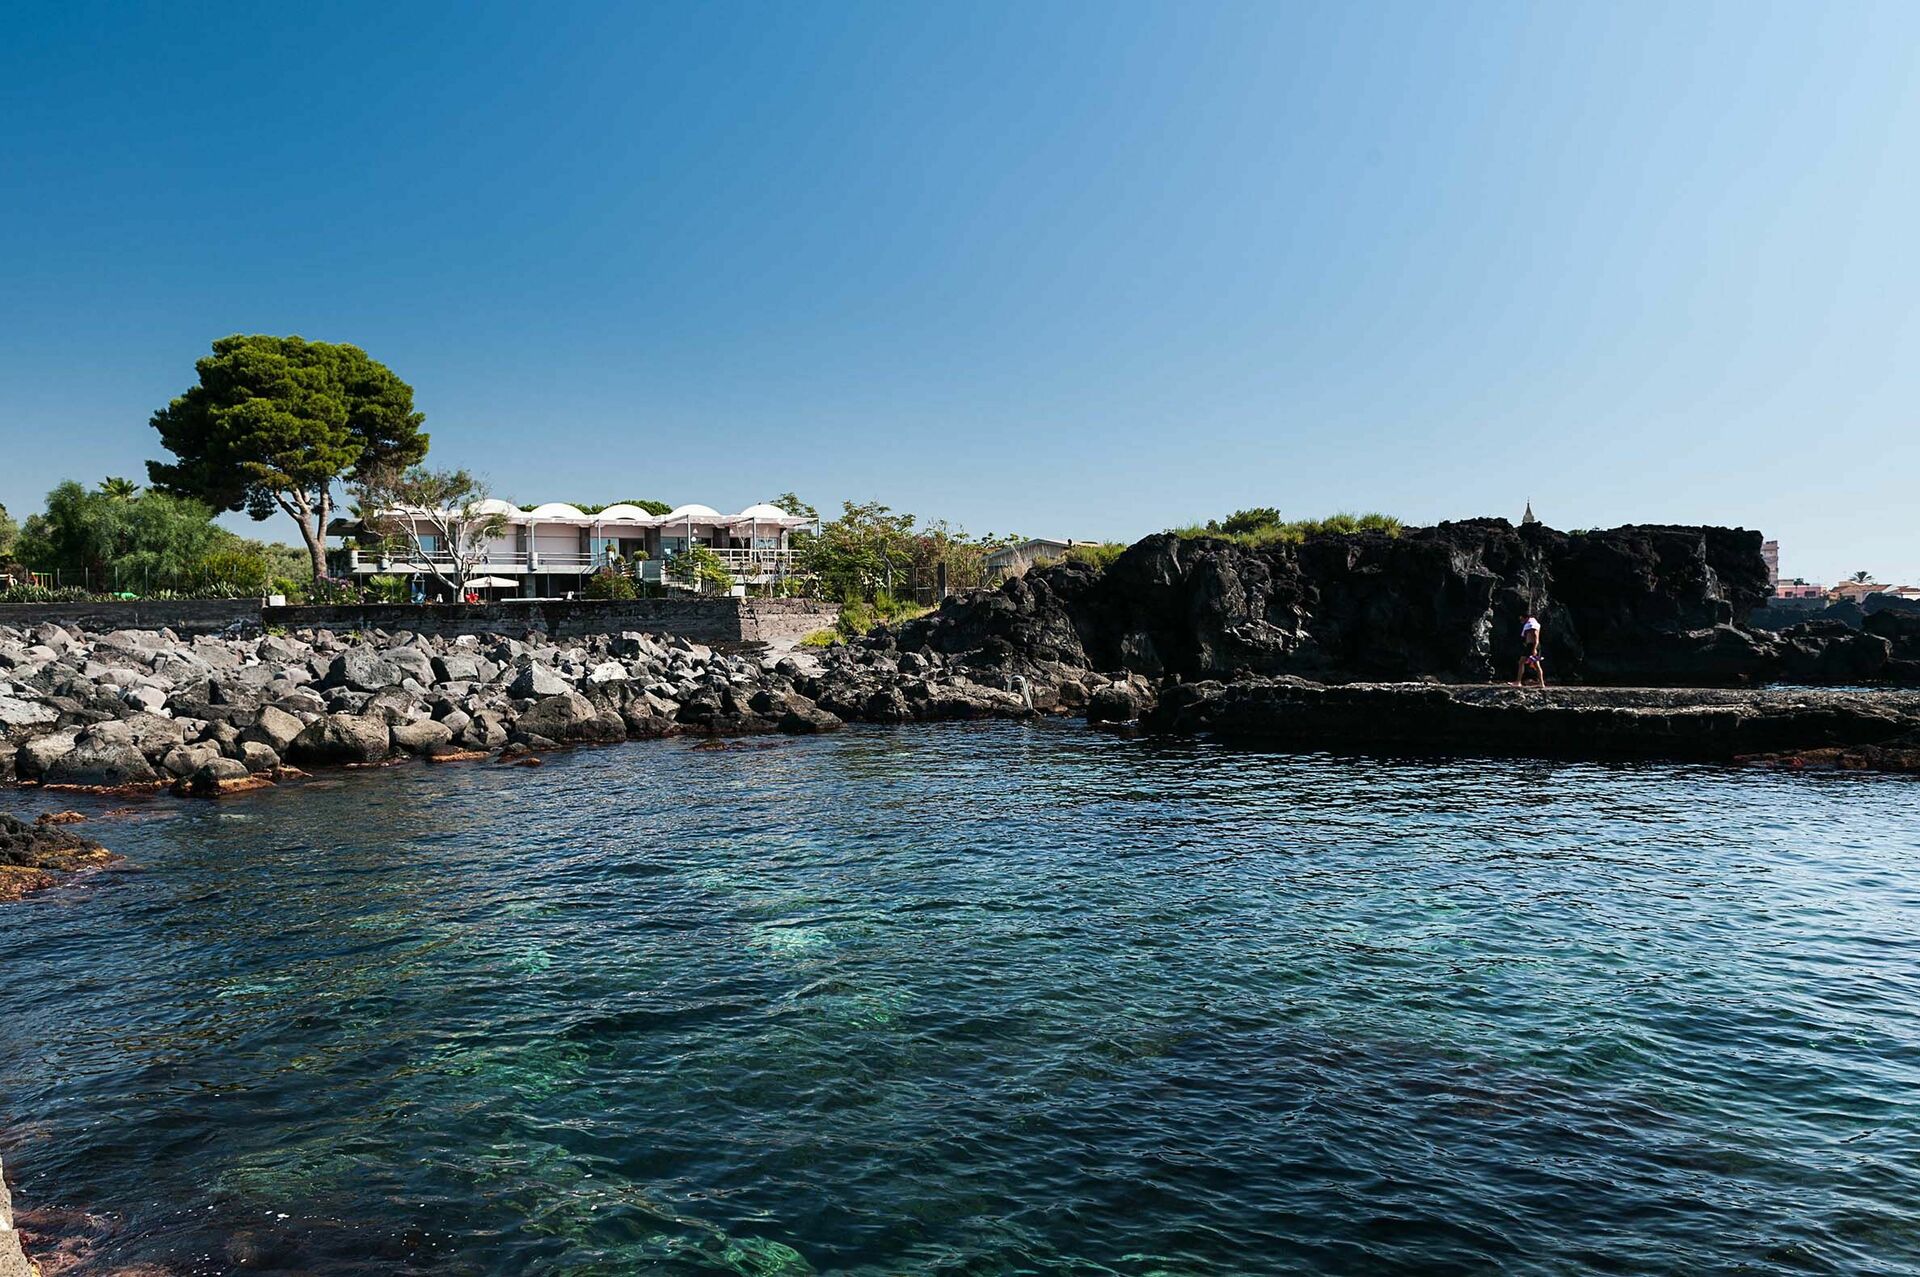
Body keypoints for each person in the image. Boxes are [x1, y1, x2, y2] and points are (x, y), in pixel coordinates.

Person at [1514, 614, 1546, 689]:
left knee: (1521, 662)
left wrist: (1534, 648)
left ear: (1526, 618)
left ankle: (1518, 682)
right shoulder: (1532, 623)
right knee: (1536, 664)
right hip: (1532, 645)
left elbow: (1535, 636)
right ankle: (1541, 683)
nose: (1521, 621)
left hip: (1532, 646)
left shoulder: (1531, 624)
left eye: (1521, 619)